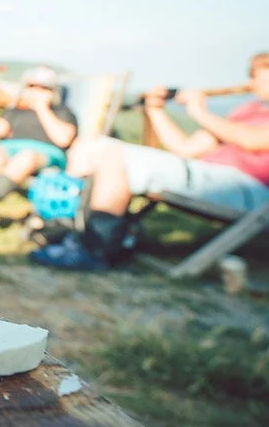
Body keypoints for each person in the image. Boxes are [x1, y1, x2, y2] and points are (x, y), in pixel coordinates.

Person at [34, 52, 269, 270]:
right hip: (207, 175)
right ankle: (63, 226)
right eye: (252, 75)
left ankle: (94, 247)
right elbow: (185, 148)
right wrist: (155, 110)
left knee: (116, 155)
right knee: (91, 145)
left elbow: (251, 141)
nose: (252, 82)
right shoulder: (247, 111)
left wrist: (198, 112)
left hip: (247, 189)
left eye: (258, 76)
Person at [0, 65, 78, 228]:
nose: (36, 91)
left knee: (27, 156)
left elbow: (63, 139)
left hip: (45, 153)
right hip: (11, 148)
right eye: (32, 86)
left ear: (52, 92)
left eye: (42, 88)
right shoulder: (16, 111)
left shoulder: (62, 112)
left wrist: (42, 108)